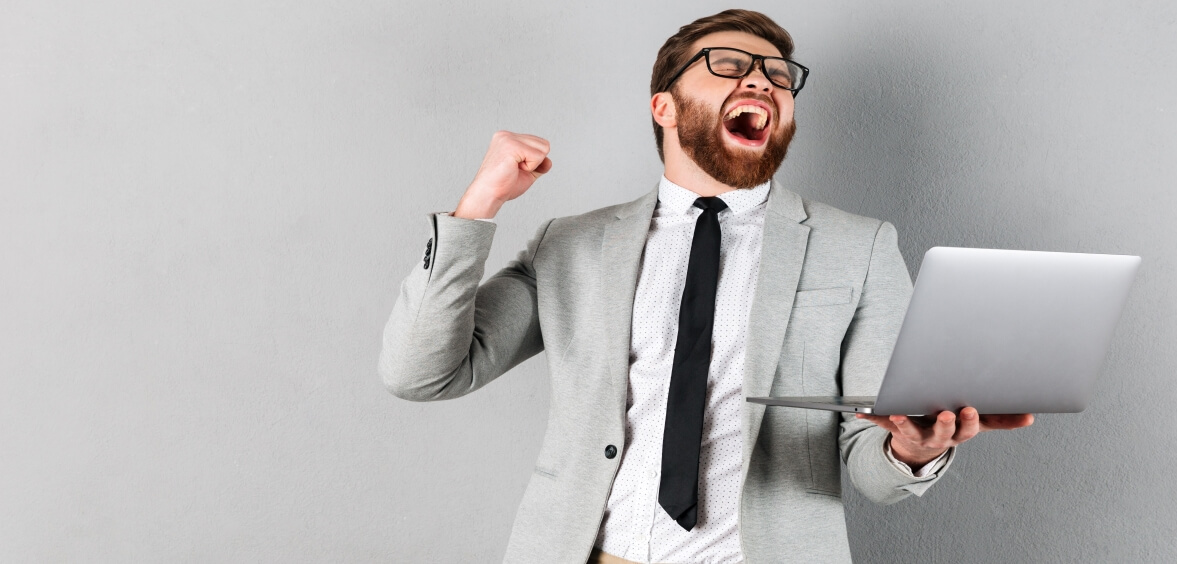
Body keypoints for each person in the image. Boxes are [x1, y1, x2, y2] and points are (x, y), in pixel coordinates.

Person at [378, 9, 1033, 564]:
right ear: (664, 105)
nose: (763, 82)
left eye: (779, 76)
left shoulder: (858, 249)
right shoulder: (572, 244)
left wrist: (911, 450)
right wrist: (481, 202)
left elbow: (873, 465)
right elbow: (423, 373)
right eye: (730, 65)